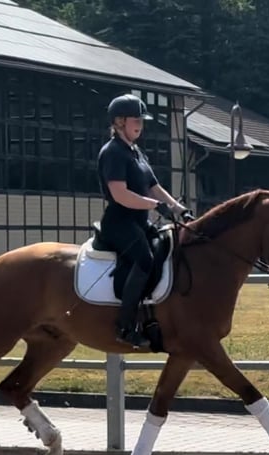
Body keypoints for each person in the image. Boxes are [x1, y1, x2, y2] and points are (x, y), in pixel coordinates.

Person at [97, 93, 194, 349]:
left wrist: (178, 208)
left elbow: (153, 186)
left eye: (142, 120)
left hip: (139, 221)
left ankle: (151, 316)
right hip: (119, 223)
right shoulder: (113, 152)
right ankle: (125, 326)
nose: (140, 124)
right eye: (135, 119)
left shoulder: (135, 151)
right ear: (119, 122)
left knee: (166, 247)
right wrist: (156, 206)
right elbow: (121, 194)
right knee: (145, 259)